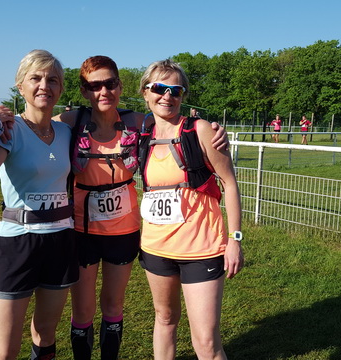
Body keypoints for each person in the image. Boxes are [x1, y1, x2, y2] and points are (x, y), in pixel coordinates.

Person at [53, 55, 229, 360]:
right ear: (84, 90)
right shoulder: (72, 122)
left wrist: (213, 131)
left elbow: (172, 121)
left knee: (113, 306)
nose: (104, 91)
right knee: (82, 310)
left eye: (110, 83)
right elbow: (37, 122)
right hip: (82, 228)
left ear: (121, 87)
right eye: (95, 85)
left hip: (124, 229)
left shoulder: (138, 121)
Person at [0, 49, 78, 360]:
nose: (45, 85)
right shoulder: (10, 129)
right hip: (18, 243)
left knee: (45, 333)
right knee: (6, 347)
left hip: (60, 239)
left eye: (53, 80)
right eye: (36, 78)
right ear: (21, 86)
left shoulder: (67, 130)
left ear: (61, 88)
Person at [137, 59, 244, 360]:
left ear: (183, 96)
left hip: (202, 249)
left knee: (206, 343)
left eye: (176, 90)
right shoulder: (142, 132)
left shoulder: (200, 131)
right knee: (165, 320)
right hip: (156, 248)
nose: (167, 96)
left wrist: (234, 239)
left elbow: (230, 184)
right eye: (159, 88)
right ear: (145, 93)